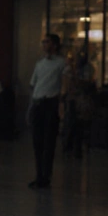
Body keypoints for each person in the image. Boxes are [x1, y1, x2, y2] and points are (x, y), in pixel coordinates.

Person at [27, 34, 67, 188]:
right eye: (43, 42)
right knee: (37, 141)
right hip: (38, 102)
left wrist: (61, 103)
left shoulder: (61, 63)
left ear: (55, 45)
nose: (44, 45)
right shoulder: (39, 64)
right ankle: (39, 175)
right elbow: (33, 84)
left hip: (51, 103)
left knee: (49, 141)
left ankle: (45, 176)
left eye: (47, 42)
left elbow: (63, 83)